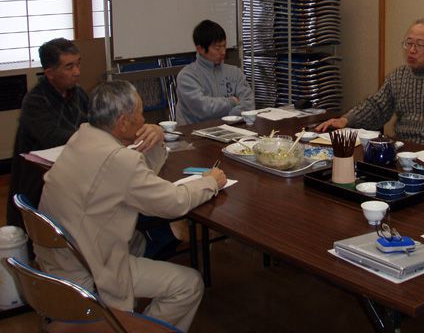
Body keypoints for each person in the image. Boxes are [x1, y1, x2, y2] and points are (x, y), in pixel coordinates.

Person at [34, 80, 227, 332]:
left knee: (141, 239)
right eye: (140, 113)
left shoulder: (83, 136)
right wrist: (210, 182)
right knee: (189, 285)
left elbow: (137, 179)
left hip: (62, 255)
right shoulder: (118, 159)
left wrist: (156, 138)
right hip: (88, 268)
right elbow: (174, 202)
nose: (144, 119)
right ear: (123, 122)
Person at [316, 19, 424, 147]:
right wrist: (346, 119)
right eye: (409, 43)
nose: (412, 50)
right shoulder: (398, 76)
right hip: (402, 149)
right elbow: (376, 107)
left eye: (420, 45)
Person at [7, 38, 88, 229]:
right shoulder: (35, 101)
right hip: (39, 181)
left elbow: (95, 124)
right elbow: (54, 137)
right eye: (69, 66)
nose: (77, 72)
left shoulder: (79, 93)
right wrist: (94, 135)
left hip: (73, 172)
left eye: (78, 63)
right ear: (49, 73)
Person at [176, 20, 255, 125]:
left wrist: (228, 118)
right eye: (217, 48)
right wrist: (232, 101)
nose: (223, 52)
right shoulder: (187, 76)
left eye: (224, 46)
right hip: (197, 135)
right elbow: (203, 109)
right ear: (200, 49)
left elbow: (249, 103)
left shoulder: (234, 72)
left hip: (233, 130)